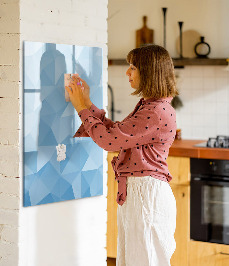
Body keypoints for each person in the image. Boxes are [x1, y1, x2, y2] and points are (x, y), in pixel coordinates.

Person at [65, 44, 178, 266]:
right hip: (140, 193)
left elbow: (109, 141)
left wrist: (81, 108)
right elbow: (117, 133)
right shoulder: (151, 106)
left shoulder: (155, 111)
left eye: (133, 67)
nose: (127, 72)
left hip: (146, 196)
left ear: (149, 71)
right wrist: (87, 103)